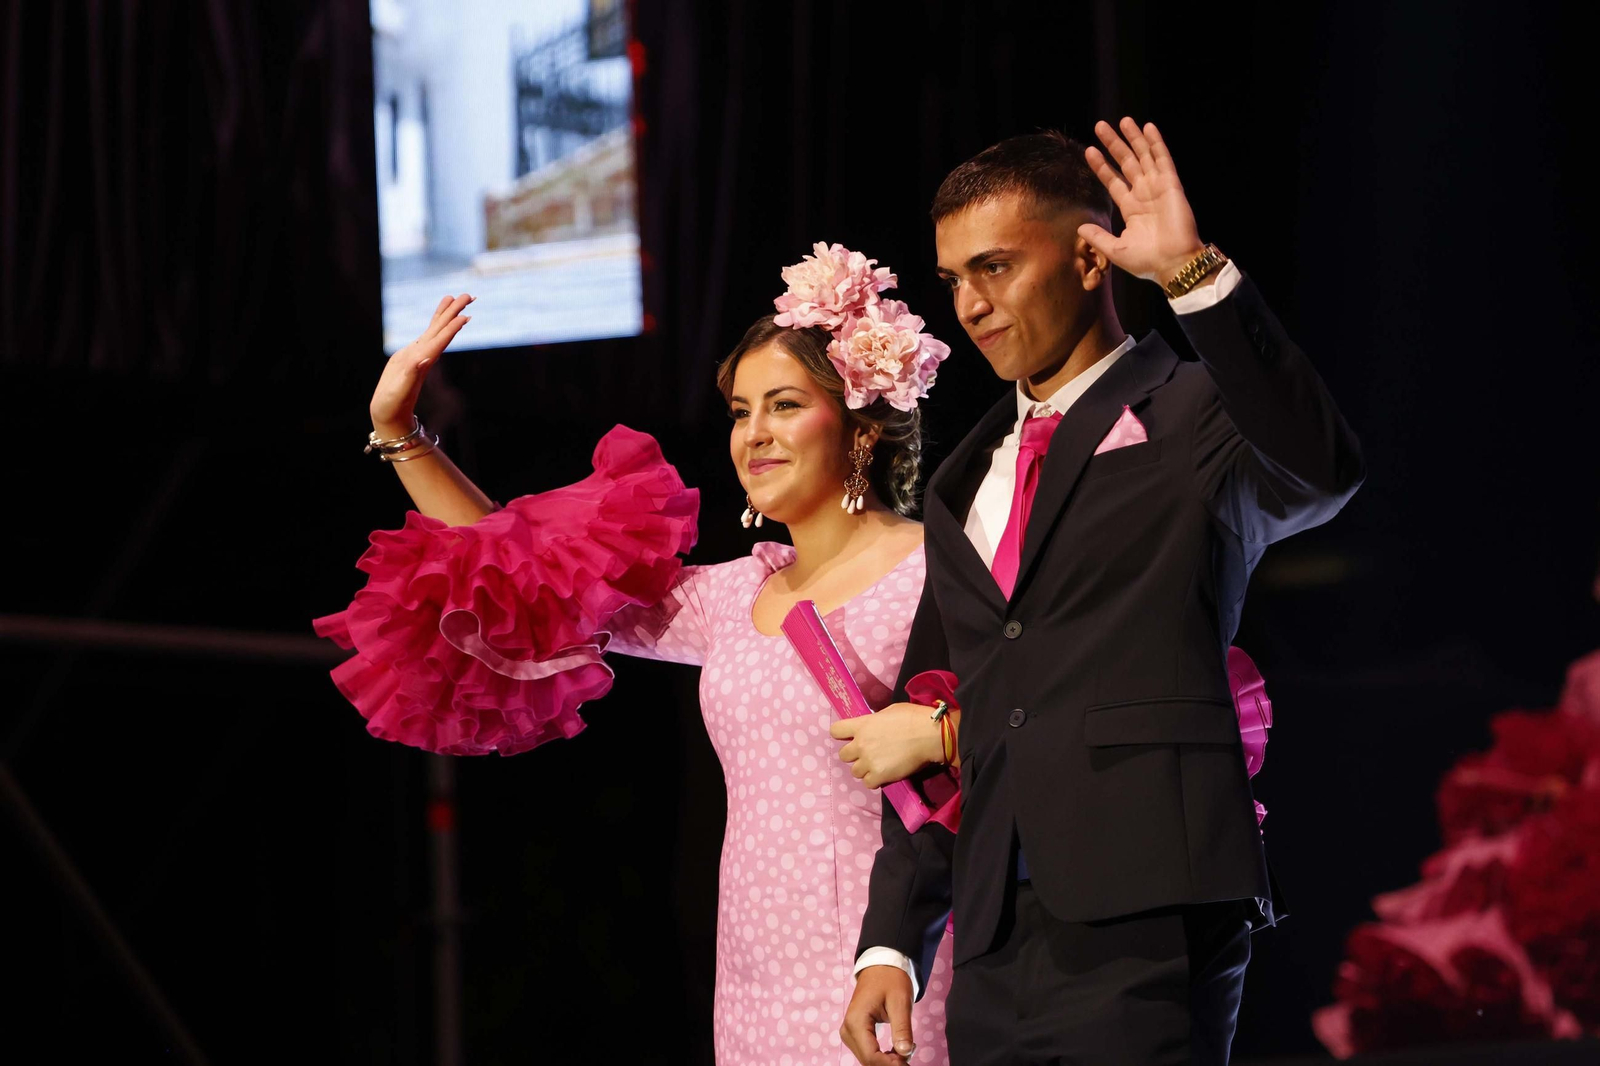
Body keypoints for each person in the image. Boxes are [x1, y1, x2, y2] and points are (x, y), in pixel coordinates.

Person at [315, 244, 963, 1065]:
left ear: (863, 424)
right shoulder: (739, 594)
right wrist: (402, 436)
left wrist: (946, 733)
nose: (754, 435)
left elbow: (1033, 714)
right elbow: (526, 578)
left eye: (785, 404)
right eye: (739, 411)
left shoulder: (937, 568)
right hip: (755, 980)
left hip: (895, 966)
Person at [841, 119, 1365, 1066]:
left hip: (1152, 905)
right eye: (954, 278)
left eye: (994, 267)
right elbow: (937, 700)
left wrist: (1194, 277)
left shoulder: (1195, 408)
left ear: (1091, 259)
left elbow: (1321, 471)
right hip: (997, 933)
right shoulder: (962, 479)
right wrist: (894, 937)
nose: (970, 303)